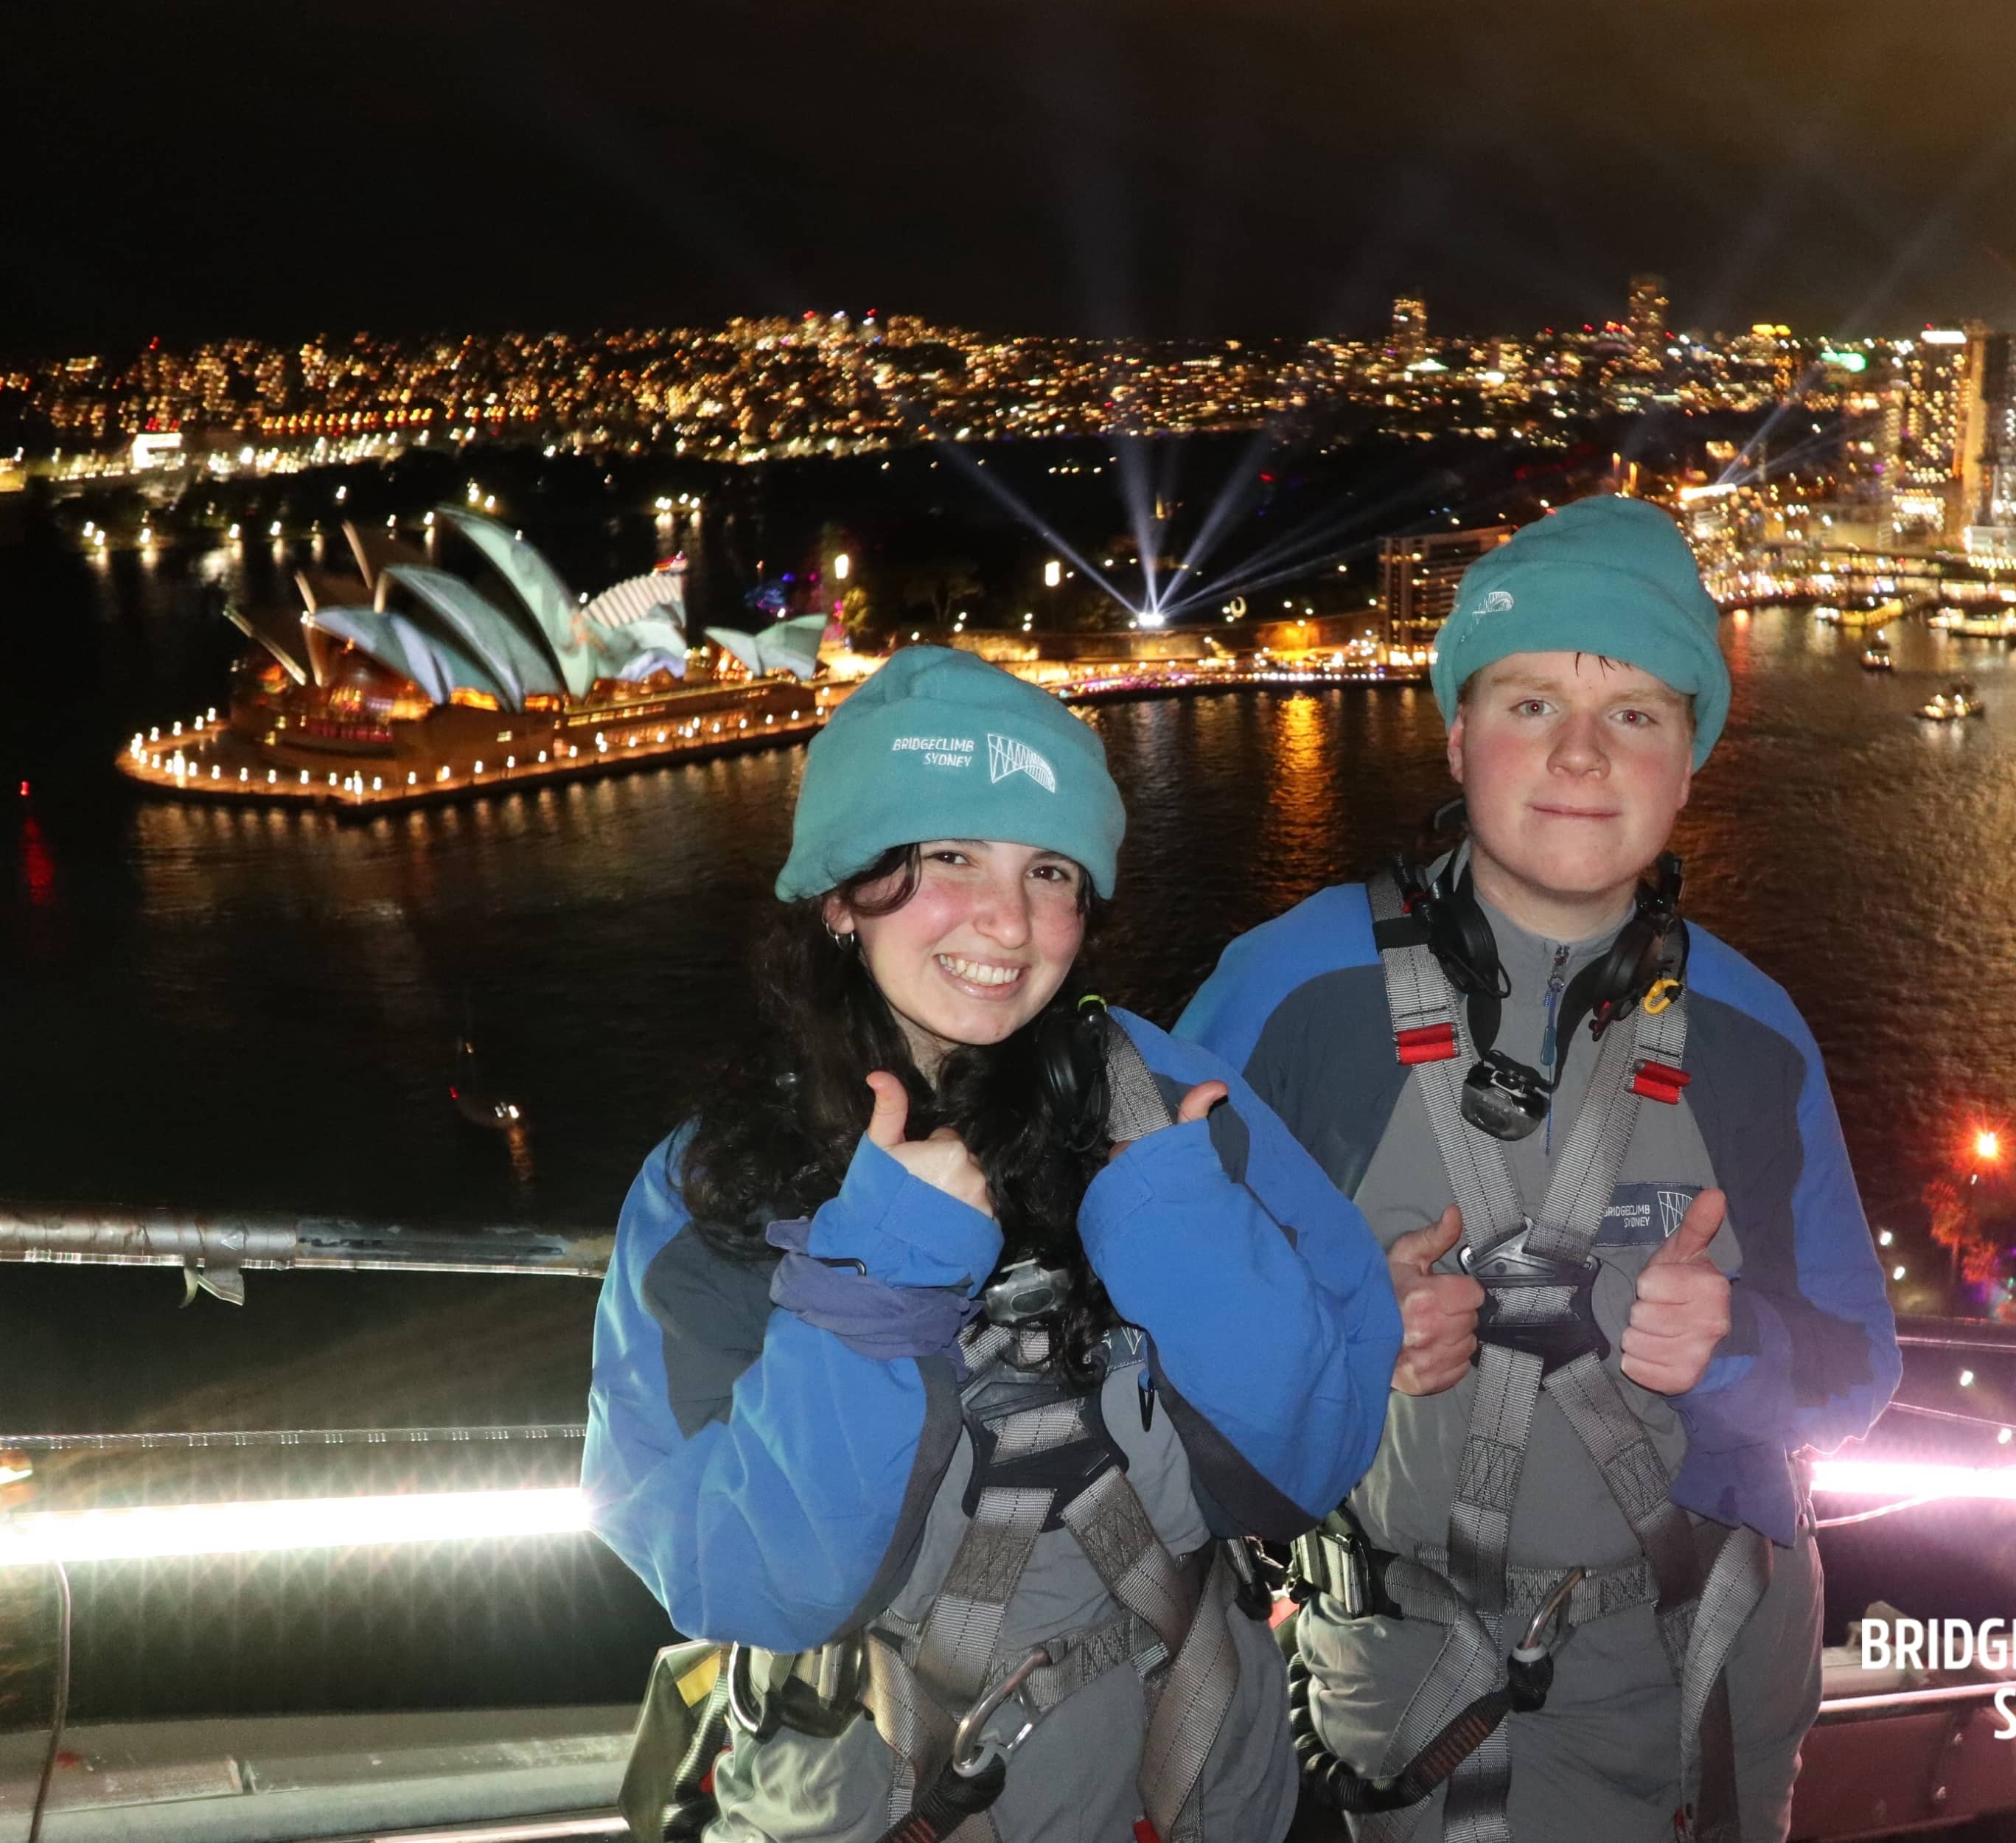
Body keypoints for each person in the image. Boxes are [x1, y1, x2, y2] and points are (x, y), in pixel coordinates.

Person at [584, 647, 1402, 1843]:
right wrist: (878, 1288)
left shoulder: (1166, 1098)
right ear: (838, 893)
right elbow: (747, 1583)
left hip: (1191, 1766)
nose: (1008, 921)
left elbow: (1313, 1460)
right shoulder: (716, 1187)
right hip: (905, 1790)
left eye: (1050, 869)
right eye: (948, 857)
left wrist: (1174, 1222)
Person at [1177, 498, 1900, 1843]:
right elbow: (1151, 1359)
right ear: (1457, 736)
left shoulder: (1754, 1032)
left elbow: (1859, 1368)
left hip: (1706, 1680)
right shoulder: (1288, 996)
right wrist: (1338, 1336)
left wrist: (1729, 1341)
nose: (1579, 751)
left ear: (1690, 760)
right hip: (1415, 1693)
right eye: (1528, 704)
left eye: (1634, 711)